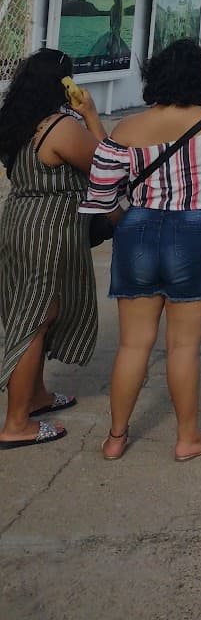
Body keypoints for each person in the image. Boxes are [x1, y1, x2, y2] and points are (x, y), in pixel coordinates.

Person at [80, 39, 201, 462]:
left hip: (139, 226)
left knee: (133, 345)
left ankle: (116, 438)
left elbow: (101, 195)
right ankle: (187, 438)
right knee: (182, 347)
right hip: (195, 228)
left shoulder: (126, 129)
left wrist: (134, 222)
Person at [0, 49, 103, 449]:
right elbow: (105, 163)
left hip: (18, 222)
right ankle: (16, 423)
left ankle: (37, 395)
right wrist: (91, 115)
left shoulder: (16, 122)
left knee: (37, 312)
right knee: (35, 319)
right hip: (47, 229)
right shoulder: (60, 127)